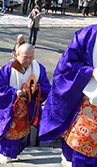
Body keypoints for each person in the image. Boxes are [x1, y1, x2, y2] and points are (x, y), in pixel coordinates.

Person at [39, 25, 97, 167]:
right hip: (88, 100)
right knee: (81, 144)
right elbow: (68, 63)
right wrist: (91, 72)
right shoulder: (88, 35)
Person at [0, 43, 51, 164]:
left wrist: (35, 89)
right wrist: (15, 92)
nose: (28, 60)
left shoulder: (38, 68)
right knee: (9, 132)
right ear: (17, 55)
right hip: (11, 108)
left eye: (31, 57)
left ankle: (14, 153)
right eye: (25, 57)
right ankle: (2, 153)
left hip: (27, 108)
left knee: (22, 133)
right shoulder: (8, 69)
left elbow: (46, 87)